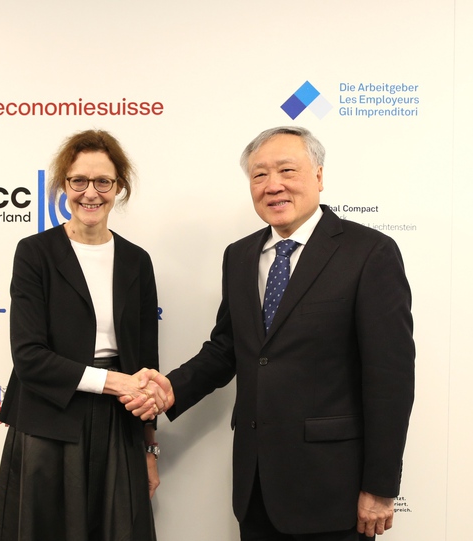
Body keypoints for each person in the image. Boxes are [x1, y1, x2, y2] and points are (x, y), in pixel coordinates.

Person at [125, 126, 415, 540]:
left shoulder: (369, 252)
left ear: (318, 175)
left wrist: (381, 486)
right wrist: (173, 388)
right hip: (256, 486)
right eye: (259, 175)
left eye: (286, 170)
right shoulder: (240, 255)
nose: (272, 185)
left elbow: (391, 378)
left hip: (334, 488)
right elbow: (227, 348)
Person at [0, 129, 169, 541]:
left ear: (118, 187)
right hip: (48, 422)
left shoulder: (137, 261)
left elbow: (146, 364)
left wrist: (150, 449)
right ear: (64, 185)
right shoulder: (34, 253)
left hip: (119, 426)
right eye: (79, 181)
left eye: (103, 181)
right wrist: (114, 382)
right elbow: (29, 357)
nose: (91, 193)